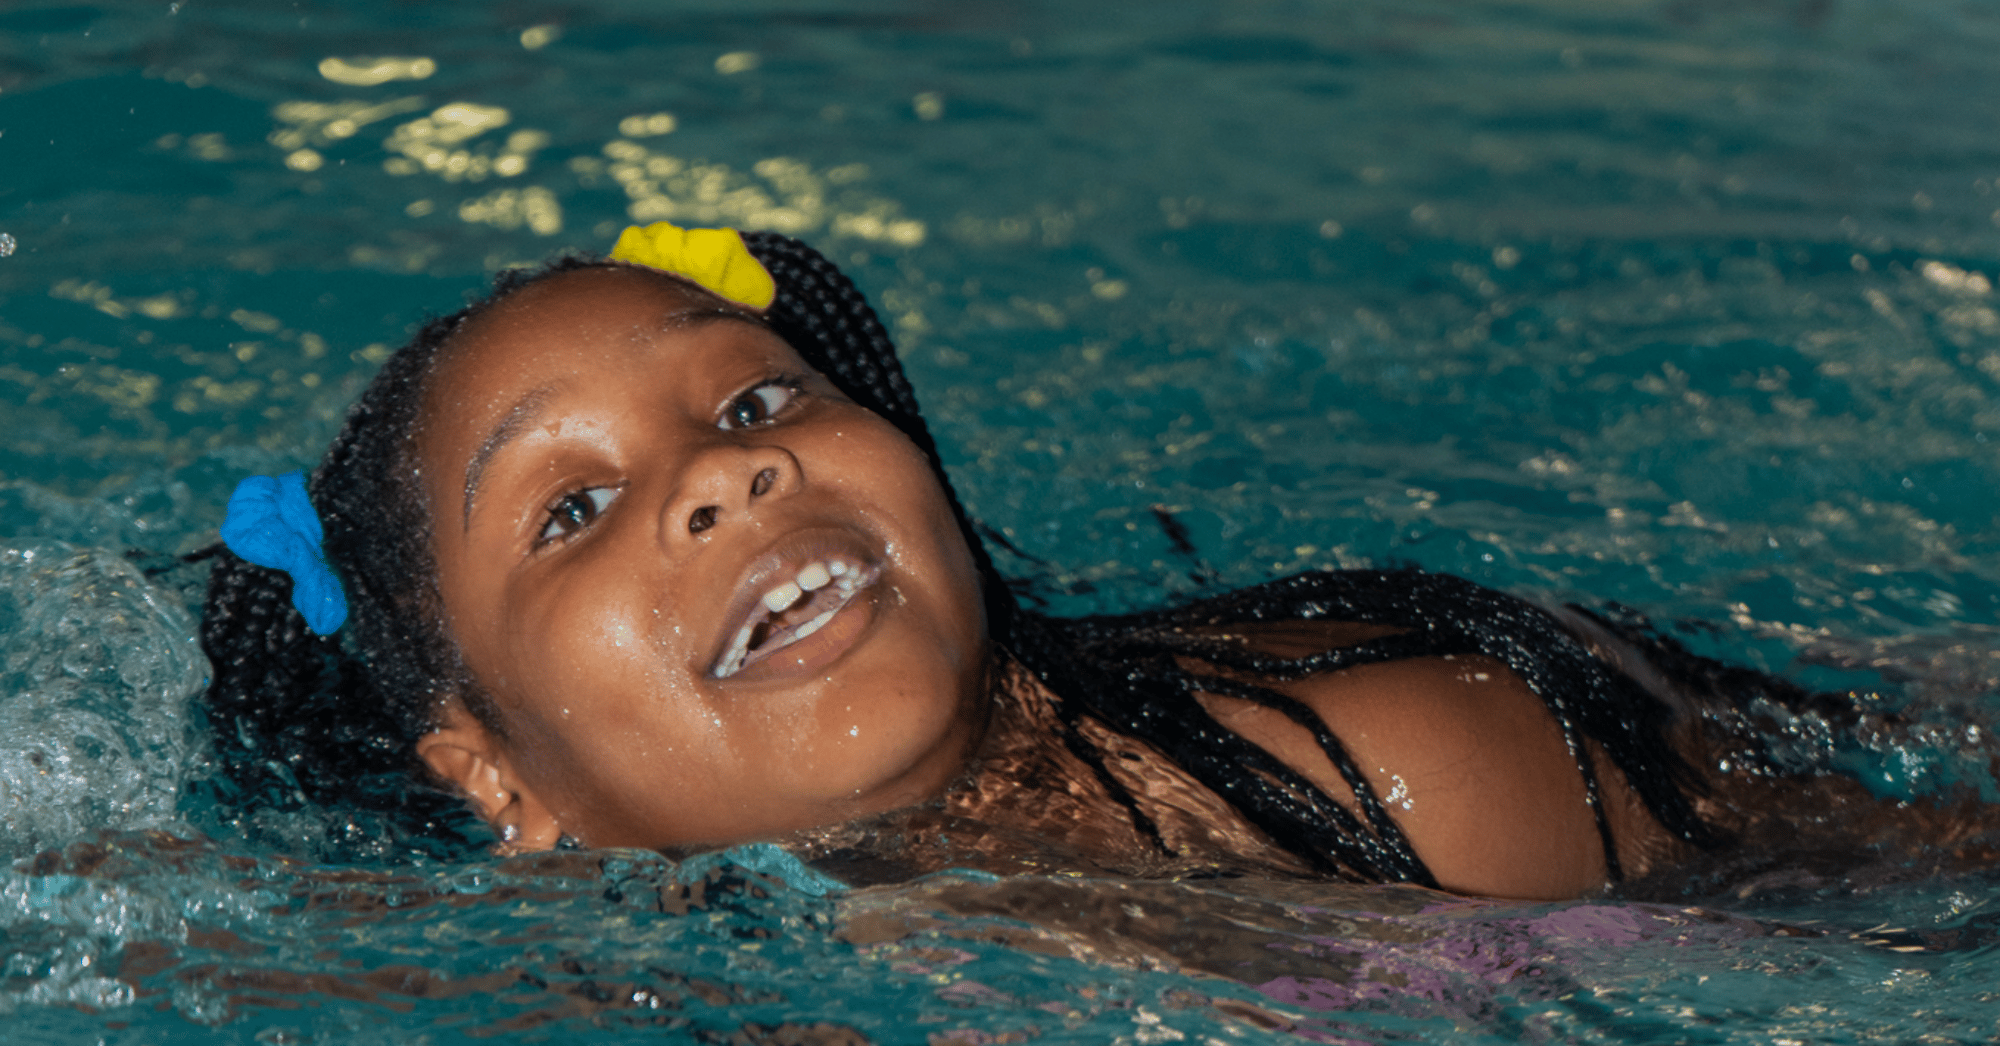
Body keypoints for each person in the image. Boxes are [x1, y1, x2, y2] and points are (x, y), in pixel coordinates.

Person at [198, 223, 1882, 901]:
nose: (728, 470)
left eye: (758, 393)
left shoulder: (1404, 776)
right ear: (496, 780)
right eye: (569, 511)